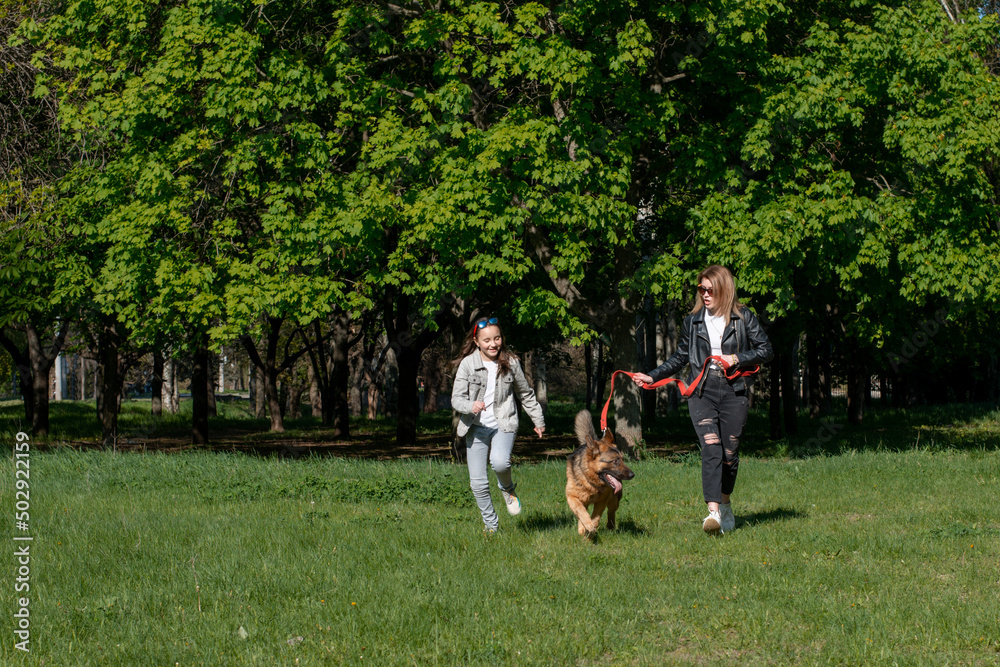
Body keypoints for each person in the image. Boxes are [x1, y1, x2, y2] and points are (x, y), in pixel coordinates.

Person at [630, 265, 772, 535]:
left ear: (724, 290)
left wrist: (737, 358)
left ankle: (726, 504)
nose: (705, 295)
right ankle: (713, 514)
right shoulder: (692, 321)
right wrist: (652, 376)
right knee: (711, 449)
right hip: (702, 390)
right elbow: (680, 357)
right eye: (701, 289)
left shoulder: (744, 318)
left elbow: (766, 350)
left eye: (711, 290)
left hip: (734, 390)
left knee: (730, 455)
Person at [452, 317, 546, 533]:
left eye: (497, 338)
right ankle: (491, 525)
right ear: (476, 341)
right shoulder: (468, 364)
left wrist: (538, 420)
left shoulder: (511, 362)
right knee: (478, 483)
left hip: (504, 422)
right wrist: (470, 405)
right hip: (475, 428)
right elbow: (456, 399)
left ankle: (507, 489)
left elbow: (524, 393)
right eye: (487, 340)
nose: (493, 344)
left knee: (500, 463)